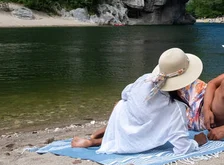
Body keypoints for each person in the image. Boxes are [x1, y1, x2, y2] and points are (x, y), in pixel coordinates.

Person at [71, 48, 207, 155]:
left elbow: (125, 94)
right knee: (154, 127)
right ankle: (94, 141)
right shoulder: (176, 107)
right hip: (136, 139)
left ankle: (94, 139)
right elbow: (181, 148)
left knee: (122, 105)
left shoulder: (146, 79)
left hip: (120, 123)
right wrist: (196, 142)